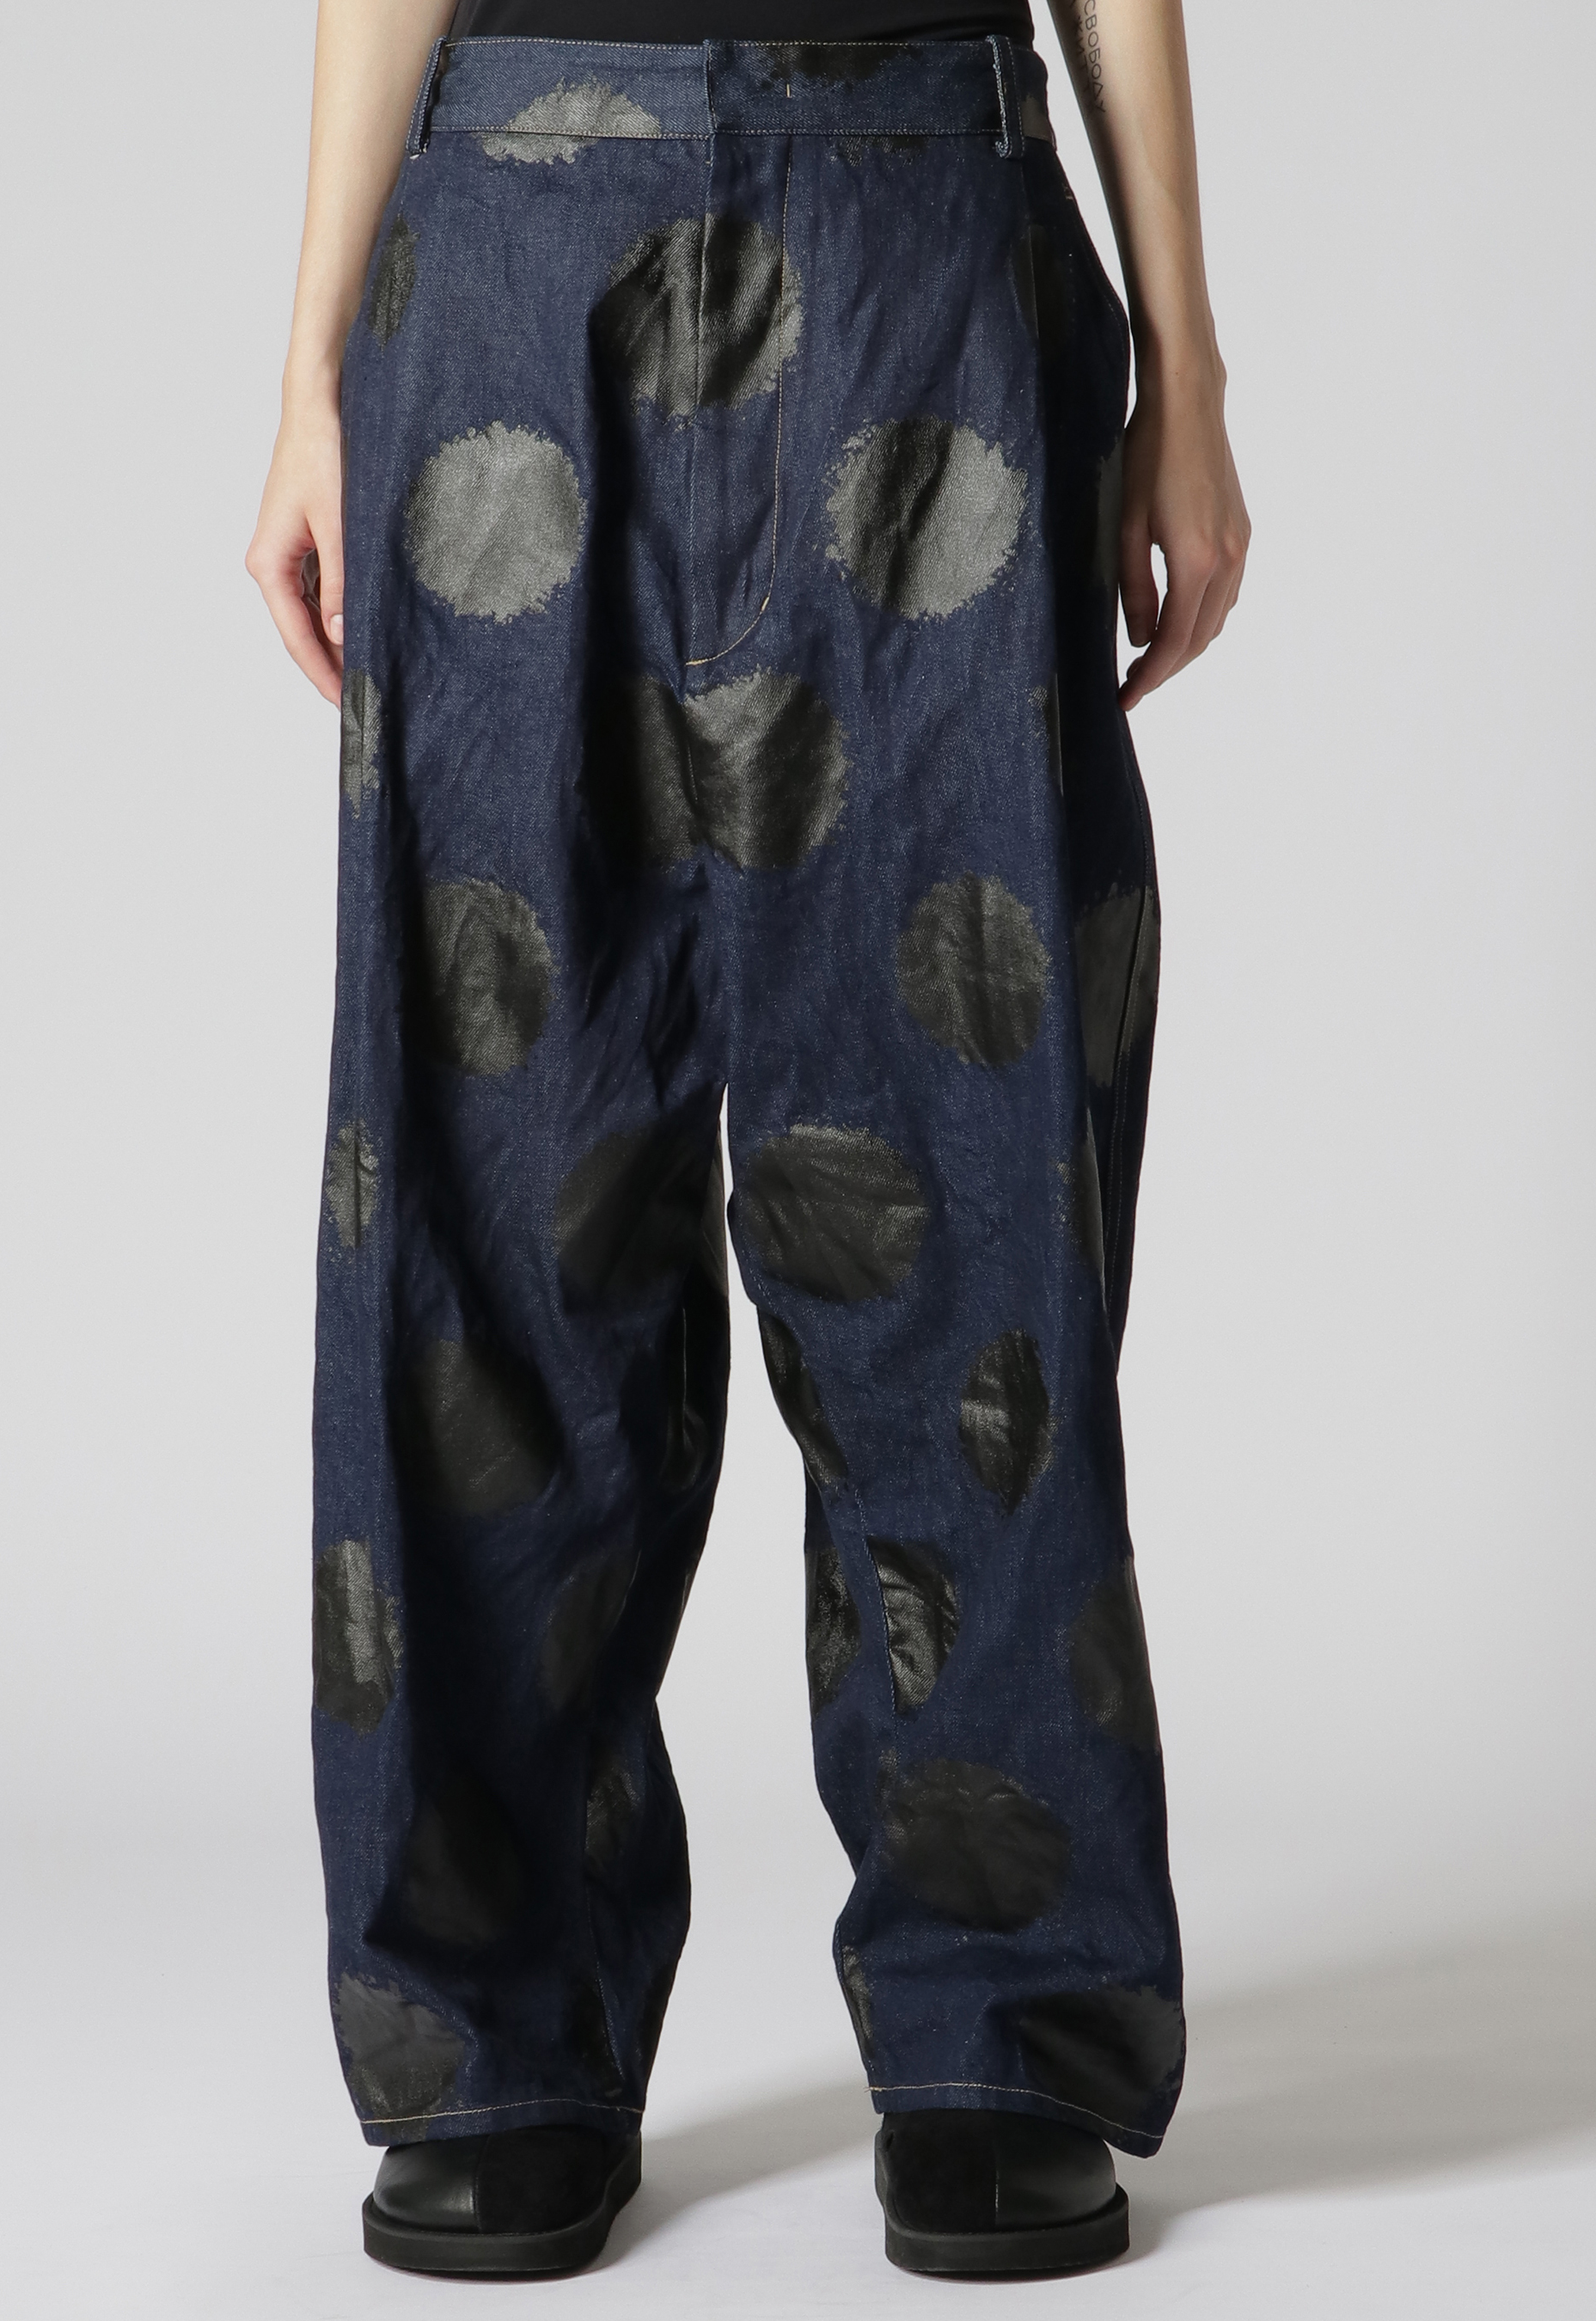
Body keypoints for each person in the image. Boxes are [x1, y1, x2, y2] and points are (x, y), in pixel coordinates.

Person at [247, 0, 1246, 2281]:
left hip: (922, 215)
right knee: (494, 1177)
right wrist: (308, 363)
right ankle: (490, 2032)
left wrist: (1185, 366)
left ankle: (1002, 2020)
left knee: (965, 1161)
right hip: (508, 241)